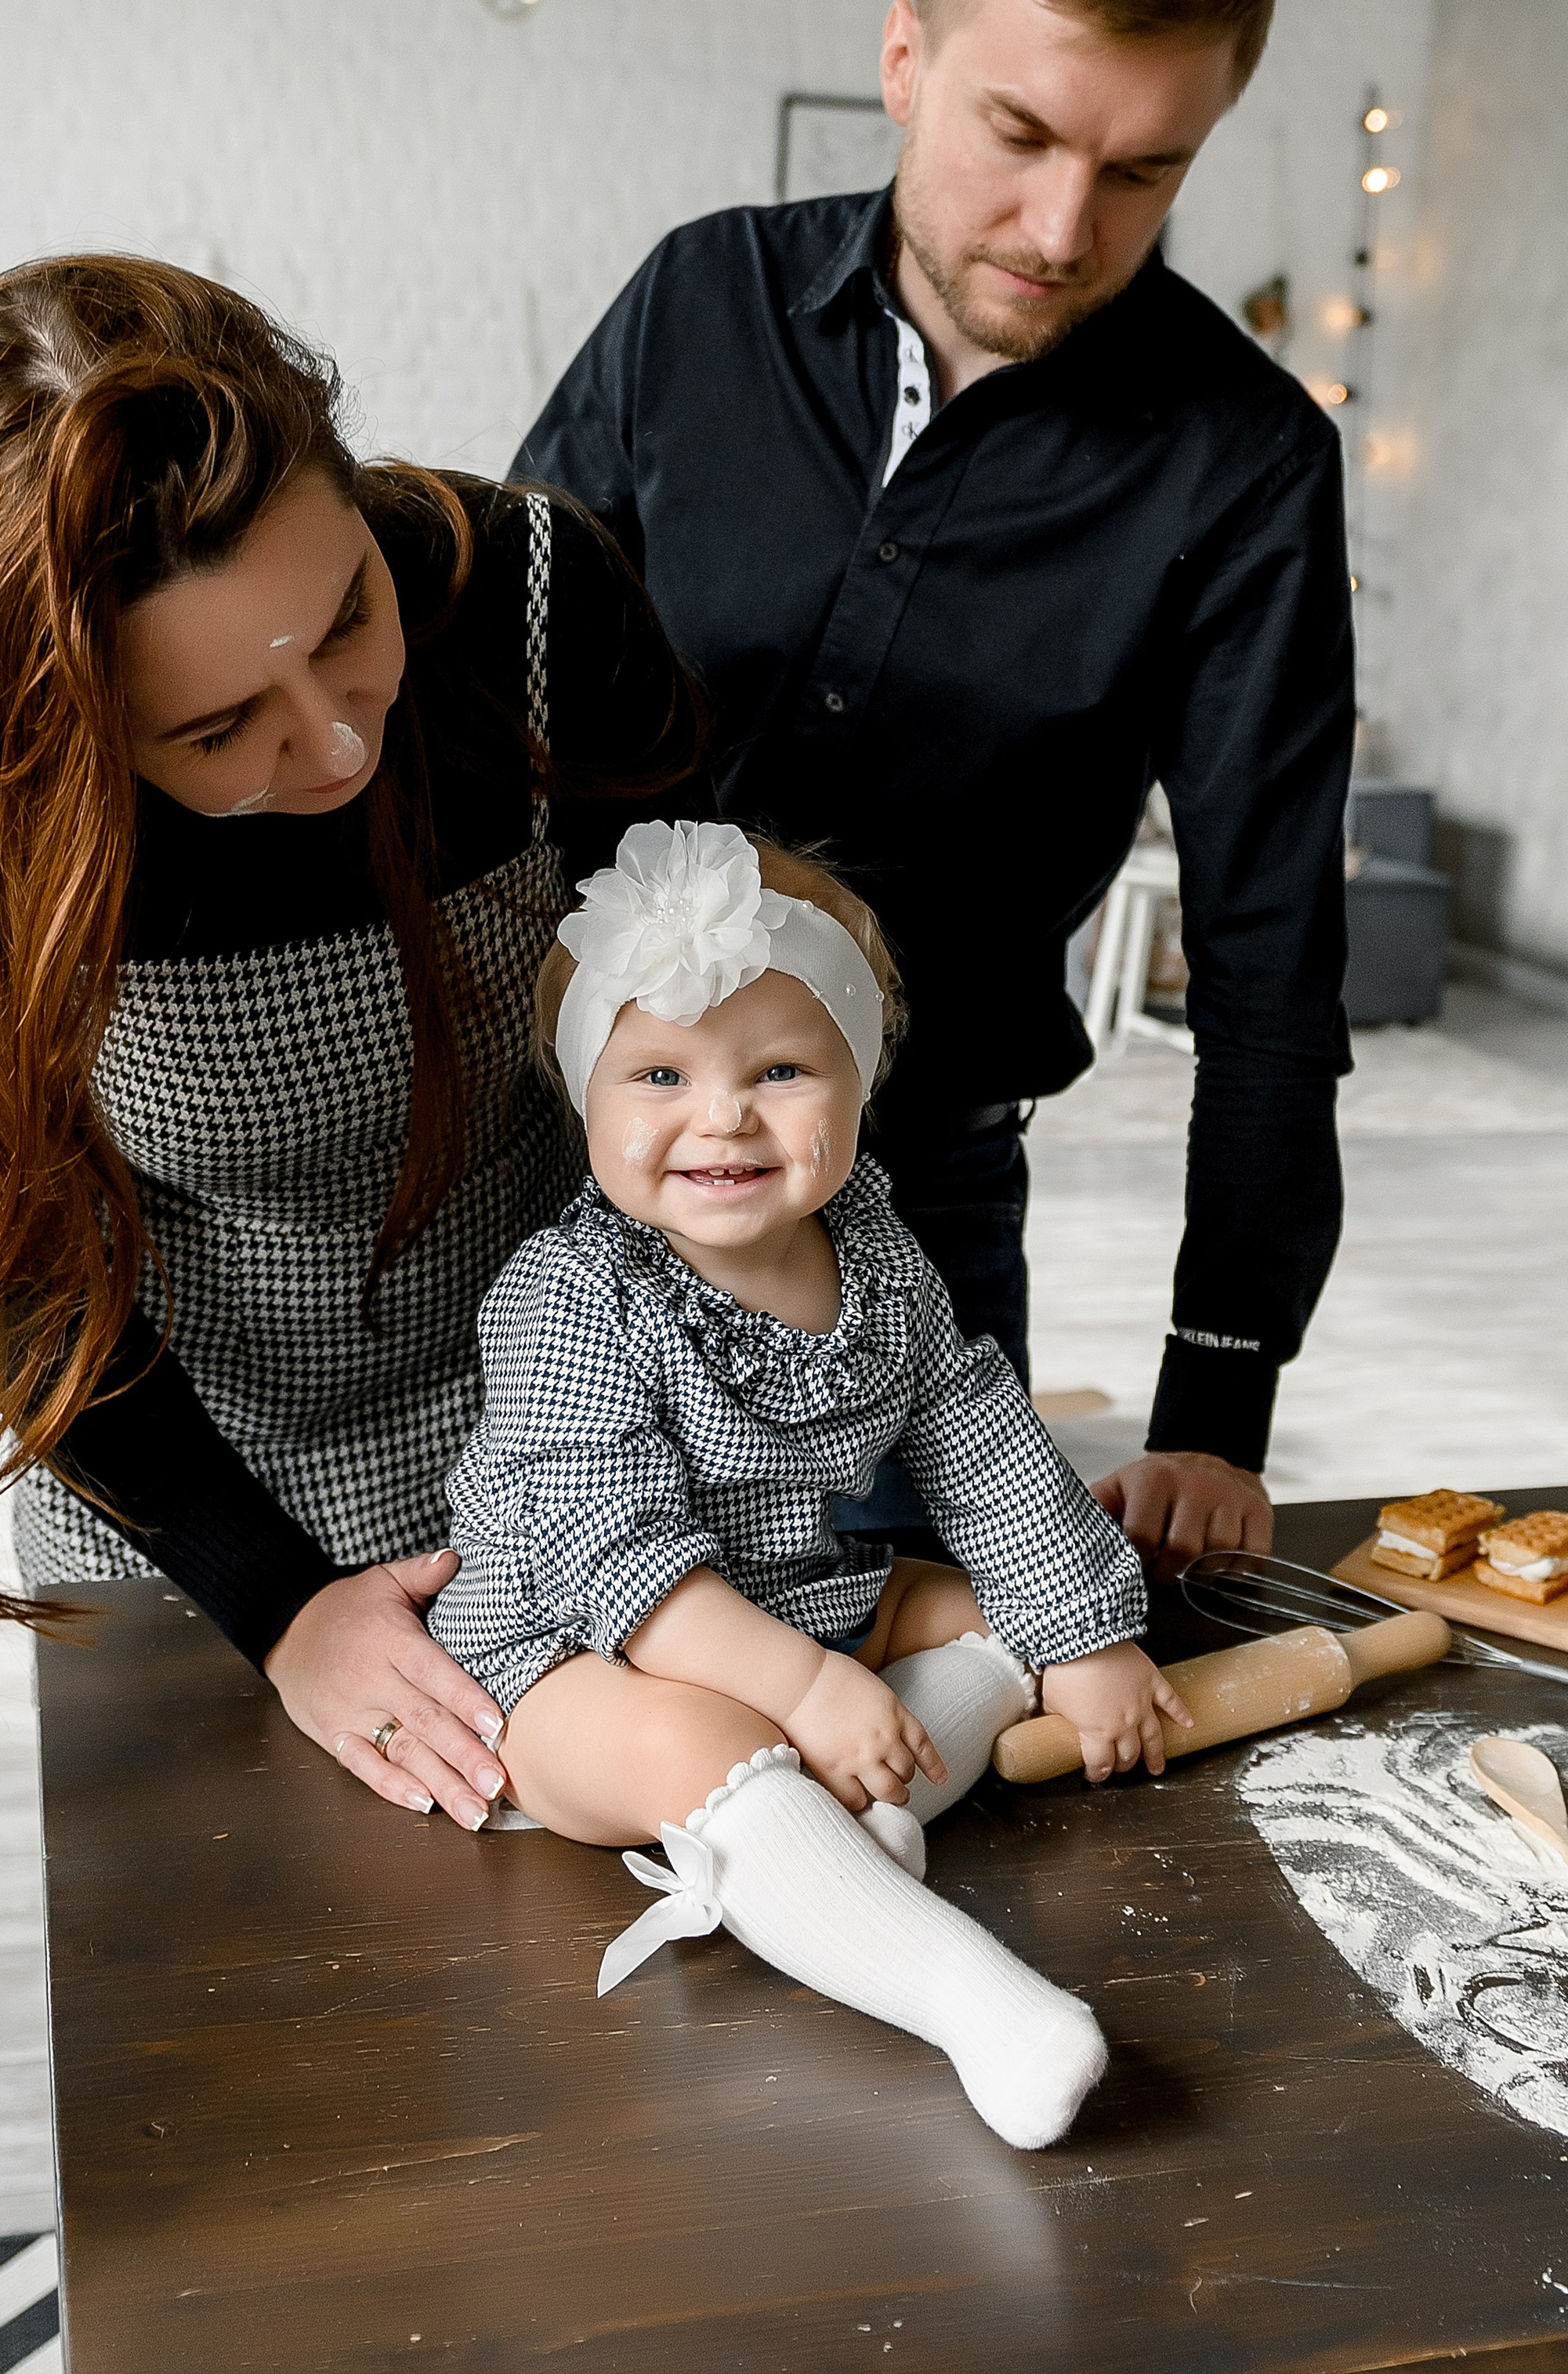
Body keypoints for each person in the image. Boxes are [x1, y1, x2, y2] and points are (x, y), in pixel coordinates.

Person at [0, 256, 709, 1836]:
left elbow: (698, 1033)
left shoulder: (533, 600)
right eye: (215, 733)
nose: (336, 735)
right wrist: (276, 1604)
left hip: (564, 1456)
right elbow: (19, 1271)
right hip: (183, 1512)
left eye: (347, 618)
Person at [517, 0, 1356, 1577]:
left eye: (1142, 170)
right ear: (906, 57)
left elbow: (1272, 950)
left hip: (913, 1217)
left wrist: (1216, 1394)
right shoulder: (697, 300)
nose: (1062, 225)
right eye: (1019, 131)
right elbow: (474, 680)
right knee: (544, 1734)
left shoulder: (1244, 462)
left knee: (917, 1751)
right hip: (555, 1175)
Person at [429, 819, 1183, 2151]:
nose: (720, 1116)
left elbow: (983, 1441)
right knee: (706, 1745)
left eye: (779, 1069)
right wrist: (806, 1686)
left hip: (798, 1598)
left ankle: (830, 1850)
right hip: (570, 1659)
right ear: (584, 1102)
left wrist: (1087, 1639)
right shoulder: (569, 1296)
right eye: (657, 1073)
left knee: (993, 1603)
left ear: (860, 1080)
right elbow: (614, 1561)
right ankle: (977, 2005)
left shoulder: (877, 1256)